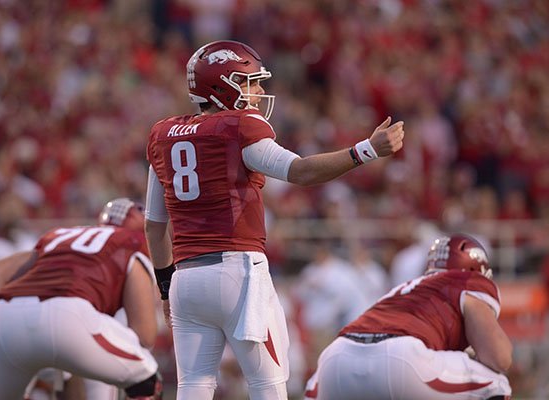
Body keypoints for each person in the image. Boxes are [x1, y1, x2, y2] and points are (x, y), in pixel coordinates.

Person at [144, 39, 405, 400]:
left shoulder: (163, 136)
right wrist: (366, 149)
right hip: (238, 272)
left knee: (194, 385)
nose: (258, 91)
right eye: (249, 82)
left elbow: (153, 226)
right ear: (220, 87)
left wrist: (164, 287)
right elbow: (300, 171)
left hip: (185, 279)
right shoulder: (238, 126)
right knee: (268, 384)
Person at [0, 198, 163, 400]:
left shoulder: (61, 235)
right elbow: (145, 335)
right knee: (148, 378)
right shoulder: (133, 242)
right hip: (66, 314)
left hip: (1, 315)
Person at [304, 234, 513, 400]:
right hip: (399, 359)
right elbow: (499, 358)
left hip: (336, 358)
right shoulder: (466, 281)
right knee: (495, 383)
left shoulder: (403, 289)